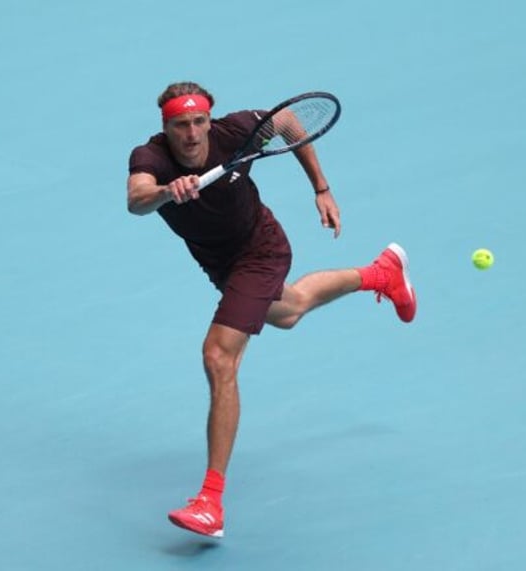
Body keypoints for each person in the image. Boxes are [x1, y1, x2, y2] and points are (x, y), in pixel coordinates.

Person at [126, 81, 416, 538]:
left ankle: (210, 501)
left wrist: (321, 188)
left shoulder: (238, 130)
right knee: (290, 309)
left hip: (261, 251)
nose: (193, 133)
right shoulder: (151, 158)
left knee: (219, 356)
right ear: (166, 127)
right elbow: (136, 200)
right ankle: (382, 274)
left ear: (210, 118)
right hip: (220, 262)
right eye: (181, 125)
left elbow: (287, 121)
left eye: (199, 121)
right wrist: (167, 191)